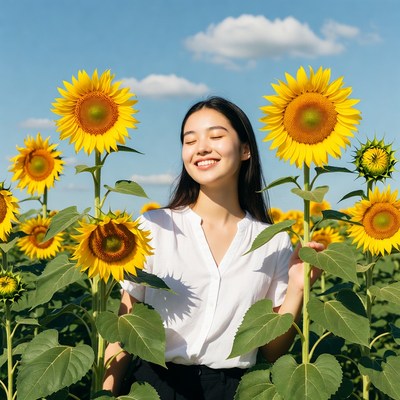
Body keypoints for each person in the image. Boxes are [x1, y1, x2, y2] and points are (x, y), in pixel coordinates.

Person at [103, 96, 322, 399]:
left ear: (246, 149)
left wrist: (297, 289)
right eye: (189, 140)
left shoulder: (272, 241)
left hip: (232, 390)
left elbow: (272, 351)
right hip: (153, 386)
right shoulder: (154, 227)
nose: (201, 147)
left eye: (216, 136)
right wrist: (106, 393)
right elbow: (124, 328)